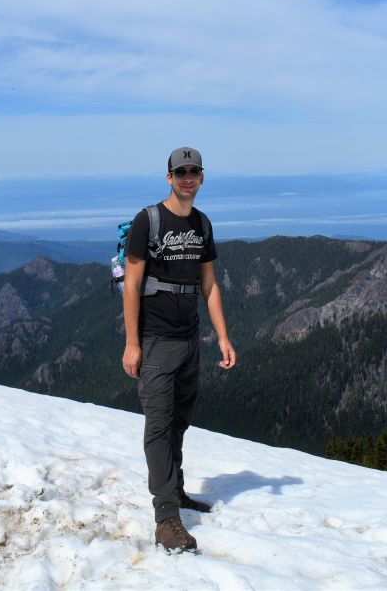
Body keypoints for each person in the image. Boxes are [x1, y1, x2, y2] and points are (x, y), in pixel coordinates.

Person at [121, 147, 237, 553]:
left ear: (202, 178)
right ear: (169, 177)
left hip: (189, 339)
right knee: (159, 425)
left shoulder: (202, 224)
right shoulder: (148, 221)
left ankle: (176, 491)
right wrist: (132, 343)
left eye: (194, 171)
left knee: (180, 421)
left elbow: (209, 284)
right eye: (181, 172)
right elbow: (132, 284)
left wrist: (222, 336)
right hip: (155, 339)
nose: (188, 178)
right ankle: (166, 519)